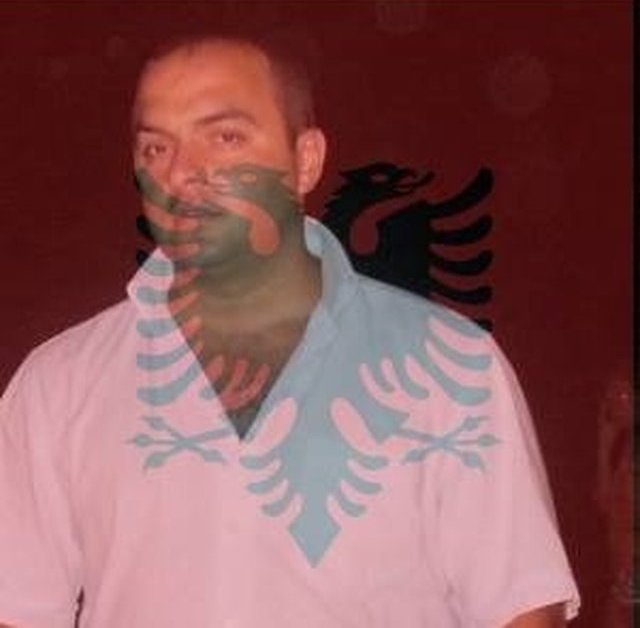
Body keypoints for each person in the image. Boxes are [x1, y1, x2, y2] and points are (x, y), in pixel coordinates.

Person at [0, 33, 580, 627]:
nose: (183, 173)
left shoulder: (448, 365)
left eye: (225, 137)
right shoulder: (59, 385)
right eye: (155, 148)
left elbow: (520, 606)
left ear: (305, 160)